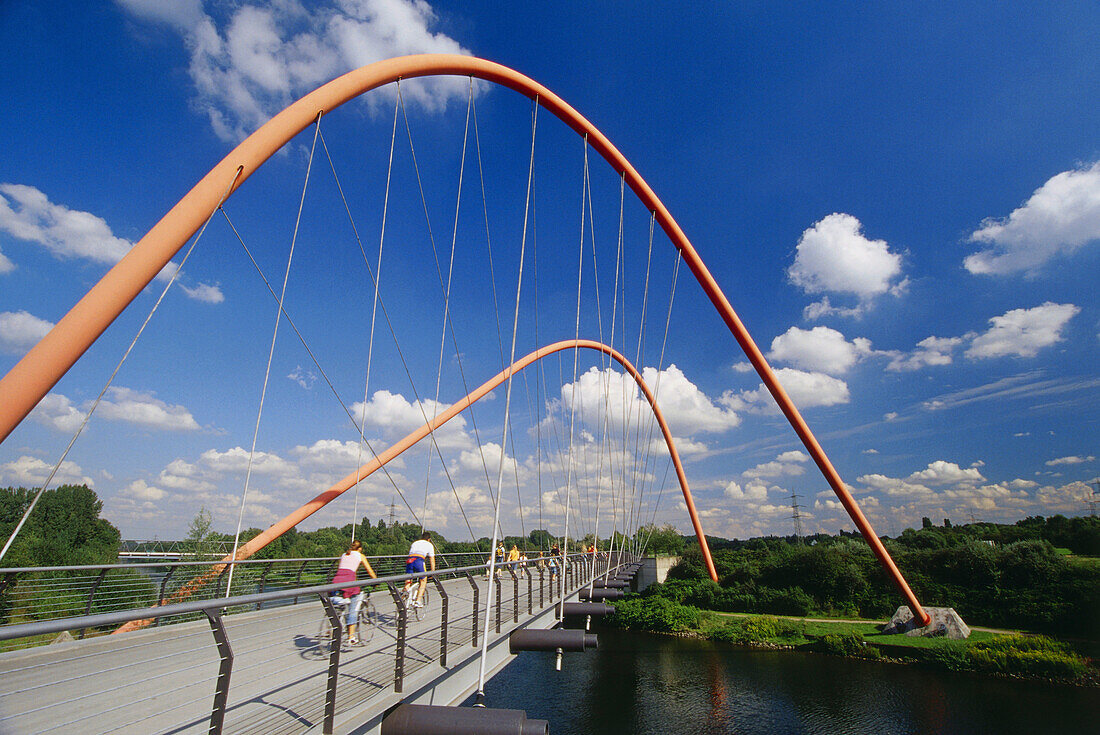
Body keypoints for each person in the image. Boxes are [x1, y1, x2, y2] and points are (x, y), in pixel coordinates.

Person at [331, 540, 376, 645]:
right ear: (360, 548)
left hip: (336, 581)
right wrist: (375, 581)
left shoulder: (344, 554)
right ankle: (351, 637)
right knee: (353, 607)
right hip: (349, 582)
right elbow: (369, 571)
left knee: (340, 602)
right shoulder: (360, 555)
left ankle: (332, 627)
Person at [404, 531, 436, 606]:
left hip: (410, 560)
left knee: (408, 580)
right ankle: (418, 600)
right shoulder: (429, 544)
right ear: (429, 539)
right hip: (419, 561)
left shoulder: (415, 543)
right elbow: (432, 559)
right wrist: (432, 572)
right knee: (423, 580)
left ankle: (405, 592)